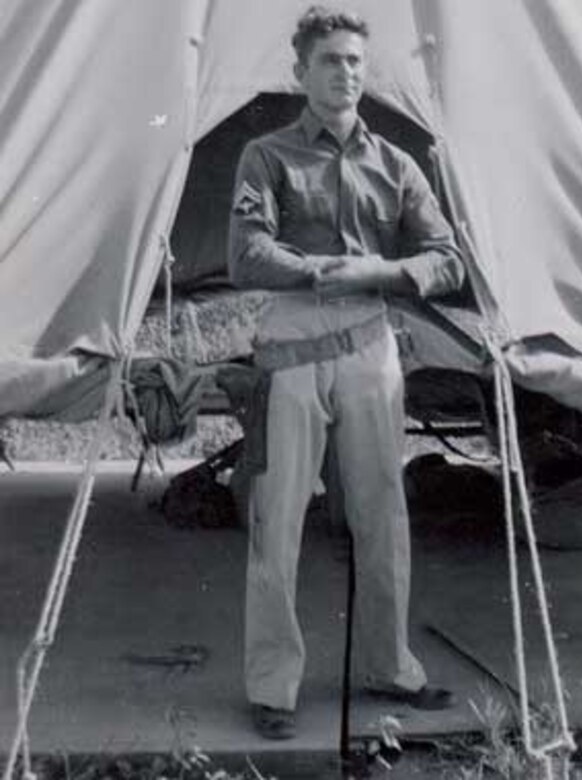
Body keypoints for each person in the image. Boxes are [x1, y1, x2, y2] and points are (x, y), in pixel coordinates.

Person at [228, 5, 465, 740]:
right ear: (301, 72)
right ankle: (273, 687)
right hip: (292, 349)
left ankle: (389, 667)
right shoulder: (265, 156)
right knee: (278, 520)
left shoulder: (396, 163)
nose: (346, 72)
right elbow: (246, 254)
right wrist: (329, 272)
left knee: (381, 514)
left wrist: (381, 270)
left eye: (356, 61)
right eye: (330, 60)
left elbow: (447, 257)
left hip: (370, 348)